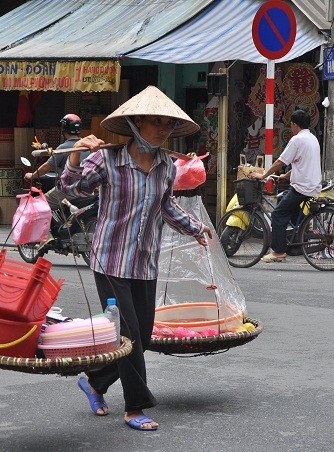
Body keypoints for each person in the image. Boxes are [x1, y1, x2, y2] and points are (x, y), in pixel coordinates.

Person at [60, 86, 212, 432]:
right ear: (136, 122)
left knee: (139, 337)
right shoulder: (107, 159)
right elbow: (72, 189)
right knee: (127, 332)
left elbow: (166, 206)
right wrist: (73, 156)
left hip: (144, 261)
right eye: (156, 122)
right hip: (111, 259)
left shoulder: (165, 166)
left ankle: (94, 382)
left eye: (167, 124)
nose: (162, 129)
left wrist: (196, 228)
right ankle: (135, 407)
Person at [249, 109, 322, 263]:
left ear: (294, 124)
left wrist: (263, 176)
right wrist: (286, 176)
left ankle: (278, 252)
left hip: (302, 187)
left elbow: (280, 161)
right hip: (312, 185)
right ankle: (302, 231)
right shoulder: (312, 138)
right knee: (291, 209)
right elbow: (302, 163)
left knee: (278, 215)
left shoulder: (297, 140)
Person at [24, 114, 87, 211]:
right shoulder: (87, 146)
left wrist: (32, 175)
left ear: (64, 129)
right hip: (87, 189)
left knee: (38, 206)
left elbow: (47, 167)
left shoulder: (63, 147)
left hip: (68, 190)